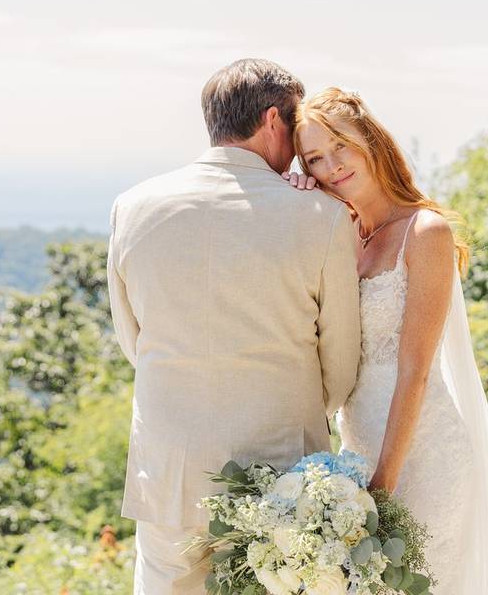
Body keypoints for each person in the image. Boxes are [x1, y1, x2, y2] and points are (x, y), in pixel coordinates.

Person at [285, 87, 488, 594]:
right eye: (314, 159)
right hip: (357, 455)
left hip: (423, 457)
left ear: (369, 140)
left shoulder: (425, 232)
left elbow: (414, 369)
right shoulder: (343, 234)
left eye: (340, 147)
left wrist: (383, 487)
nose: (332, 166)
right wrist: (295, 192)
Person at [107, 61, 361, 594]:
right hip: (281, 472)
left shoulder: (131, 208)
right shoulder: (321, 215)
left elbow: (135, 342)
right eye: (294, 128)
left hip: (169, 471)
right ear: (273, 119)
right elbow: (340, 365)